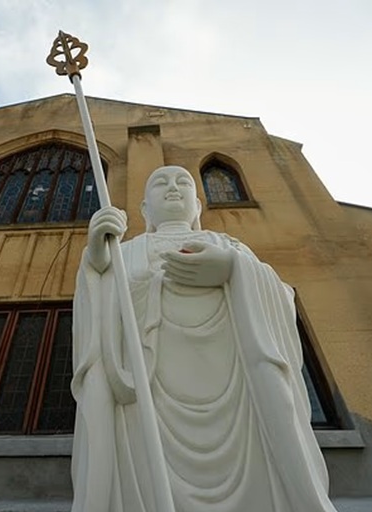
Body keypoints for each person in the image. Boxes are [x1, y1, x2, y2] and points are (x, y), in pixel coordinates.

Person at [71, 165, 338, 512]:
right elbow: (100, 310)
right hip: (148, 392)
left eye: (183, 182)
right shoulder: (125, 252)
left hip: (234, 390)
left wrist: (233, 269)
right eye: (160, 184)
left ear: (197, 207)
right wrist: (96, 259)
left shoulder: (227, 245)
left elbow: (280, 296)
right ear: (144, 210)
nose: (172, 188)